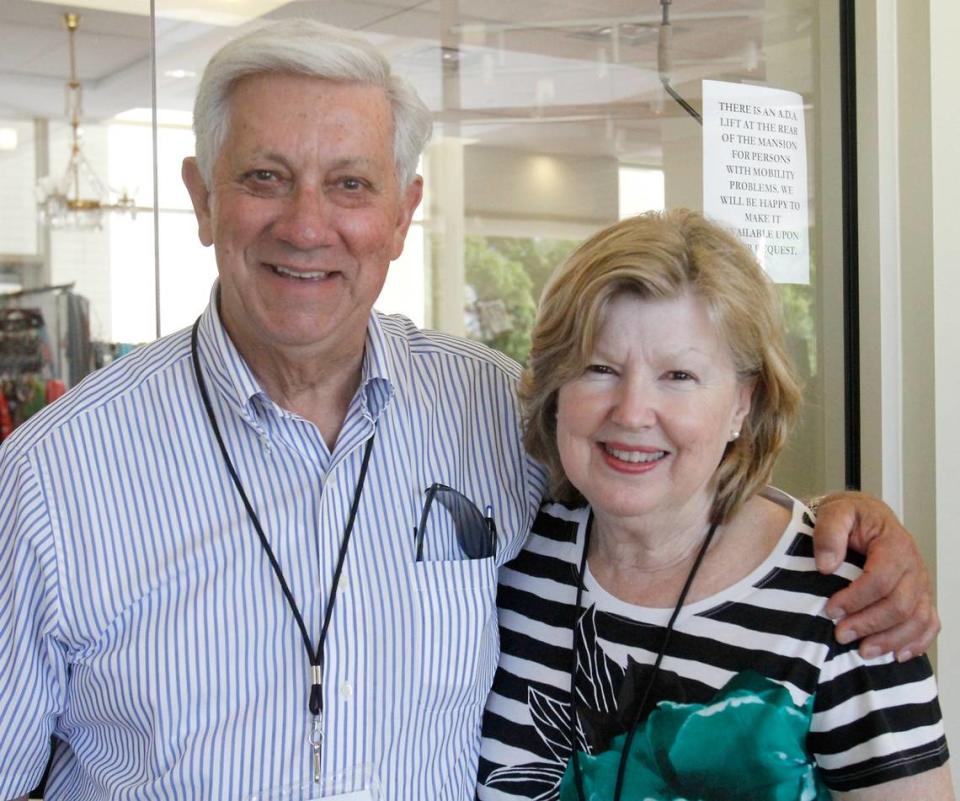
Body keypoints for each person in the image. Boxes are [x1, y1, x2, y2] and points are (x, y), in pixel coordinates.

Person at [0, 19, 938, 801]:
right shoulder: (51, 477)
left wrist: (853, 527)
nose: (307, 224)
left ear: (403, 214)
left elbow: (660, 483)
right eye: (264, 177)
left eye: (351, 184)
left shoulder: (489, 406)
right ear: (201, 198)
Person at [476, 209, 951, 800]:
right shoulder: (511, 558)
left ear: (742, 404)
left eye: (678, 375)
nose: (630, 412)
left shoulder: (847, 609)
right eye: (599, 368)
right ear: (555, 390)